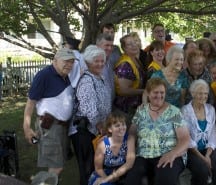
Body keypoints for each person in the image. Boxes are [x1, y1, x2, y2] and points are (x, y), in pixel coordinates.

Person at [124, 78, 190, 185]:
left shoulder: (174, 112)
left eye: (162, 92)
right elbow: (132, 133)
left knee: (164, 179)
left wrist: (172, 154)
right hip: (144, 155)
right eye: (155, 92)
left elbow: (185, 139)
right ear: (148, 94)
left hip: (169, 153)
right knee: (132, 179)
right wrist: (131, 154)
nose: (159, 96)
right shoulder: (141, 111)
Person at [23, 48, 76, 176]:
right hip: (50, 127)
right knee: (55, 168)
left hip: (61, 127)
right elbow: (31, 103)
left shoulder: (64, 76)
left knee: (58, 165)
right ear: (55, 60)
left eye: (72, 62)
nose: (69, 65)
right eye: (66, 61)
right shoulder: (44, 76)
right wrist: (26, 128)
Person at [68, 45, 112, 185]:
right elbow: (90, 109)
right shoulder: (87, 80)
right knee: (87, 169)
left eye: (102, 60)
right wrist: (100, 126)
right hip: (85, 132)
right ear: (87, 62)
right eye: (96, 61)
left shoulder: (100, 77)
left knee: (96, 167)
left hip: (97, 130)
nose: (100, 64)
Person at [181, 79, 216, 185]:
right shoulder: (185, 111)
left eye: (206, 93)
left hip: (207, 149)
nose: (203, 96)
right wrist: (203, 158)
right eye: (200, 93)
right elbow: (186, 138)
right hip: (191, 150)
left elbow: (213, 133)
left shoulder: (211, 109)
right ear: (193, 94)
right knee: (201, 170)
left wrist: (208, 155)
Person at [88, 111, 135, 185]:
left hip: (123, 172)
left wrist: (112, 177)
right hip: (104, 173)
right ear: (110, 129)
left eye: (123, 124)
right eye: (117, 126)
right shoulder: (103, 144)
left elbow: (129, 164)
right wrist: (107, 179)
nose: (121, 128)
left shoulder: (129, 139)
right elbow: (98, 168)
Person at [114, 34, 146, 116]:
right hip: (126, 109)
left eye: (134, 42)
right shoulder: (125, 65)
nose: (134, 45)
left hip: (135, 107)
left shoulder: (135, 59)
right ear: (124, 48)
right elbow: (123, 90)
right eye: (129, 44)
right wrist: (144, 91)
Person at [96, 33, 116, 104]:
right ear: (98, 46)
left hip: (110, 106)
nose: (110, 48)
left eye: (111, 46)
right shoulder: (91, 64)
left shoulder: (110, 62)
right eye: (107, 45)